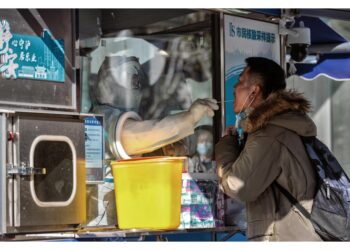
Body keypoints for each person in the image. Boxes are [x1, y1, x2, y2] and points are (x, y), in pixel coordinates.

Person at [215, 57, 321, 241]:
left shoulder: (269, 134)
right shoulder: (280, 126)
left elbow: (238, 186)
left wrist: (225, 146)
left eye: (240, 81)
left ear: (254, 91)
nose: (234, 87)